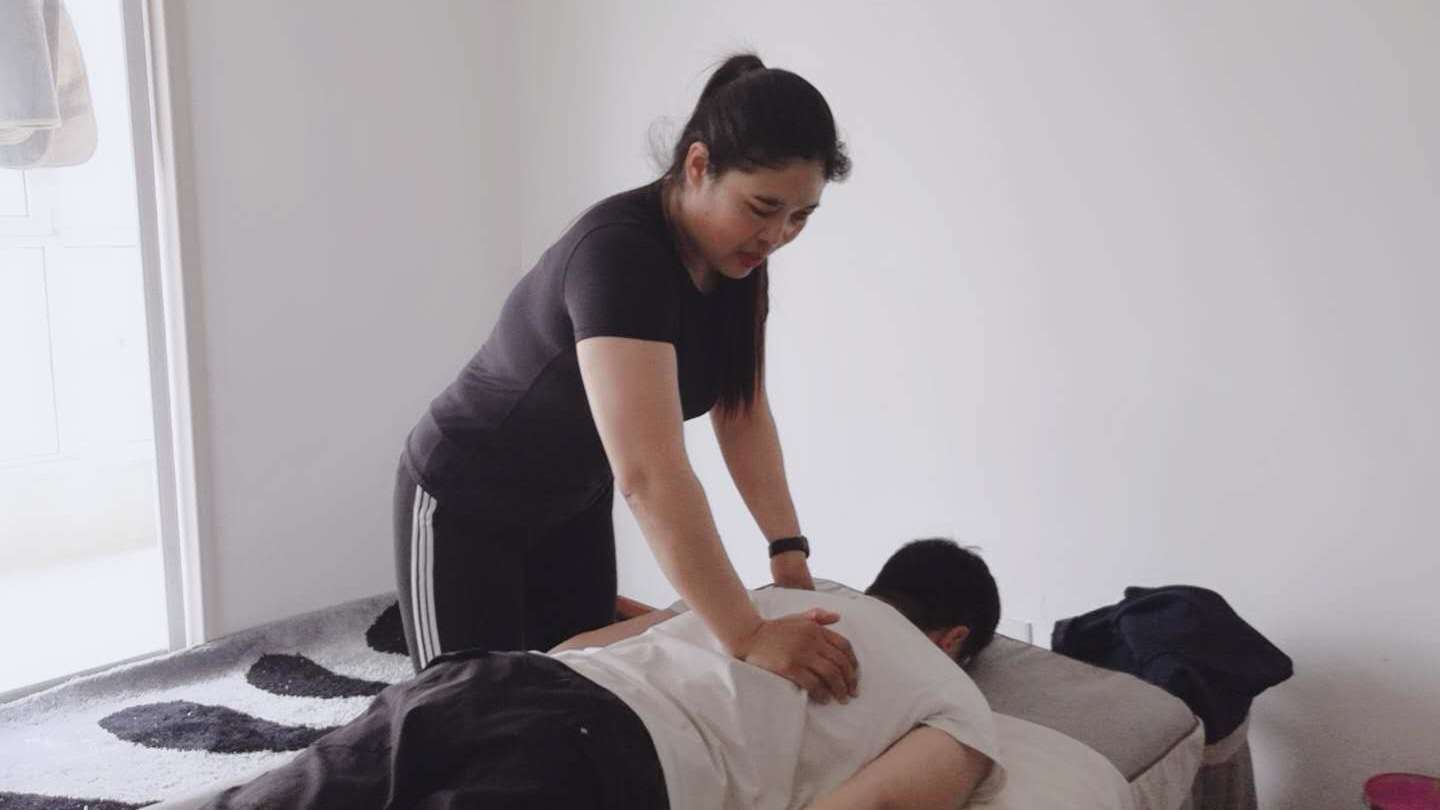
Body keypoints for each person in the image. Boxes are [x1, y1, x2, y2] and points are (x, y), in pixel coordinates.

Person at [393, 51, 859, 704]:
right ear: (697, 165)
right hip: (467, 496)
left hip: (572, 500)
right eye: (763, 207)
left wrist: (787, 550)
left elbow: (741, 410)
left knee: (574, 696)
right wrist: (748, 633)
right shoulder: (620, 255)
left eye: (800, 217)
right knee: (460, 715)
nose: (777, 235)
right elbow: (650, 474)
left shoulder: (738, 262)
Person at [199, 540, 1006, 810]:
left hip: (493, 686)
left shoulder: (777, 601)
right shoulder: (955, 700)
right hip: (607, 758)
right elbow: (871, 807)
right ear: (957, 639)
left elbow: (586, 641)